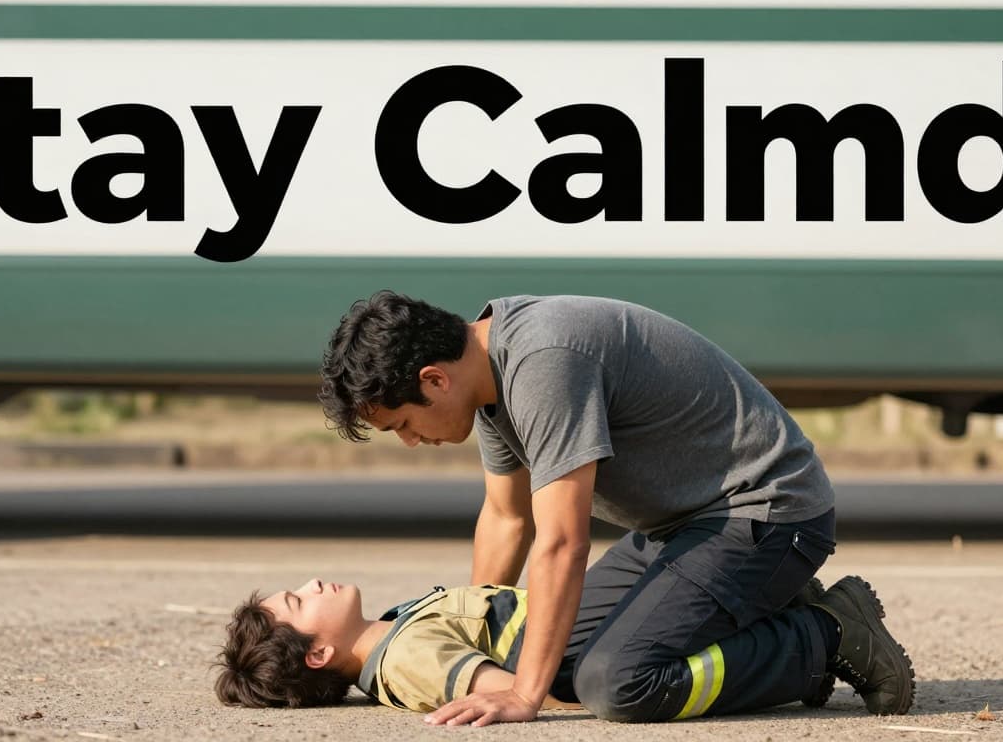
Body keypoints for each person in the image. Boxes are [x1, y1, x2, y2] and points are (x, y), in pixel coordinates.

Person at [317, 292, 915, 726]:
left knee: (619, 684)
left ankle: (824, 635)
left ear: (434, 380)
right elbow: (507, 518)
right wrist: (488, 649)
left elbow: (562, 542)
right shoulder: (489, 377)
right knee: (545, 663)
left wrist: (522, 698)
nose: (411, 441)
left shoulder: (541, 361)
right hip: (685, 527)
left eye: (402, 424)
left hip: (767, 512)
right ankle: (765, 602)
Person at [213, 578, 580, 714]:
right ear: (318, 654)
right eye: (301, 600)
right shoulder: (407, 659)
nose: (314, 582)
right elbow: (519, 693)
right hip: (577, 635)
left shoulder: (392, 636)